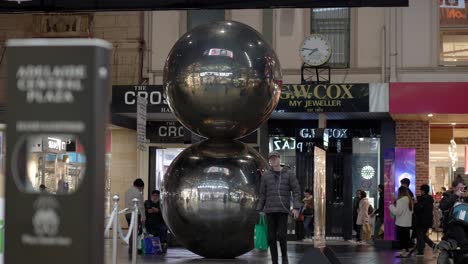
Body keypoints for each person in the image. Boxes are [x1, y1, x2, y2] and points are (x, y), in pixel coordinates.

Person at [257, 151, 301, 264]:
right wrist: (259, 209)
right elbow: (262, 194)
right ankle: (274, 261)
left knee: (282, 235)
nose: (273, 160)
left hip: (283, 210)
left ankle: (285, 257)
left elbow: (296, 191)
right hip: (270, 211)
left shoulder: (289, 173)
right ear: (269, 161)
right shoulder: (266, 175)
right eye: (271, 159)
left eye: (275, 158)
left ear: (279, 159)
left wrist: (296, 207)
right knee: (271, 238)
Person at [389, 186, 414, 257]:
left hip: (401, 223)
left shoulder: (401, 201)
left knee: (402, 239)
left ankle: (404, 253)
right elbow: (411, 212)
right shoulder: (409, 200)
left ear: (400, 192)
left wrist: (391, 206)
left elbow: (397, 212)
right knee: (406, 238)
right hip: (408, 222)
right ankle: (406, 251)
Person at [125, 178, 146, 255]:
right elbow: (141, 206)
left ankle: (131, 248)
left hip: (127, 214)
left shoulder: (127, 191)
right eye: (142, 188)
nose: (142, 189)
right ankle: (133, 249)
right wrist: (143, 217)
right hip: (135, 214)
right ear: (140, 186)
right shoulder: (138, 193)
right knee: (134, 233)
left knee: (131, 231)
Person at [414, 184, 436, 256]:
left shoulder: (423, 199)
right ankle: (432, 245)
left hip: (421, 220)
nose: (420, 192)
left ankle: (421, 251)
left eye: (421, 190)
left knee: (420, 235)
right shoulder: (430, 199)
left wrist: (415, 204)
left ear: (423, 191)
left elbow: (419, 208)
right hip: (428, 220)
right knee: (422, 234)